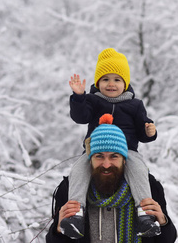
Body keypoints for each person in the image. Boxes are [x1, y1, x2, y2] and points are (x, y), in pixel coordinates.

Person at [63, 48, 158, 239]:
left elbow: (142, 131)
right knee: (79, 170)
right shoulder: (93, 101)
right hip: (95, 150)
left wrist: (150, 132)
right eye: (105, 79)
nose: (111, 84)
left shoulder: (135, 105)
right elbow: (80, 117)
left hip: (126, 151)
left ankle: (144, 213)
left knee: (138, 170)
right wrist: (79, 97)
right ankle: (76, 212)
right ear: (98, 83)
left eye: (117, 79)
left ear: (125, 83)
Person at [45, 117, 177, 242]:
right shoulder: (69, 189)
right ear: (90, 159)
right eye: (99, 156)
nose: (106, 164)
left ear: (124, 160)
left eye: (114, 156)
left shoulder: (149, 187)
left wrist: (163, 223)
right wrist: (58, 229)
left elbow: (168, 240)